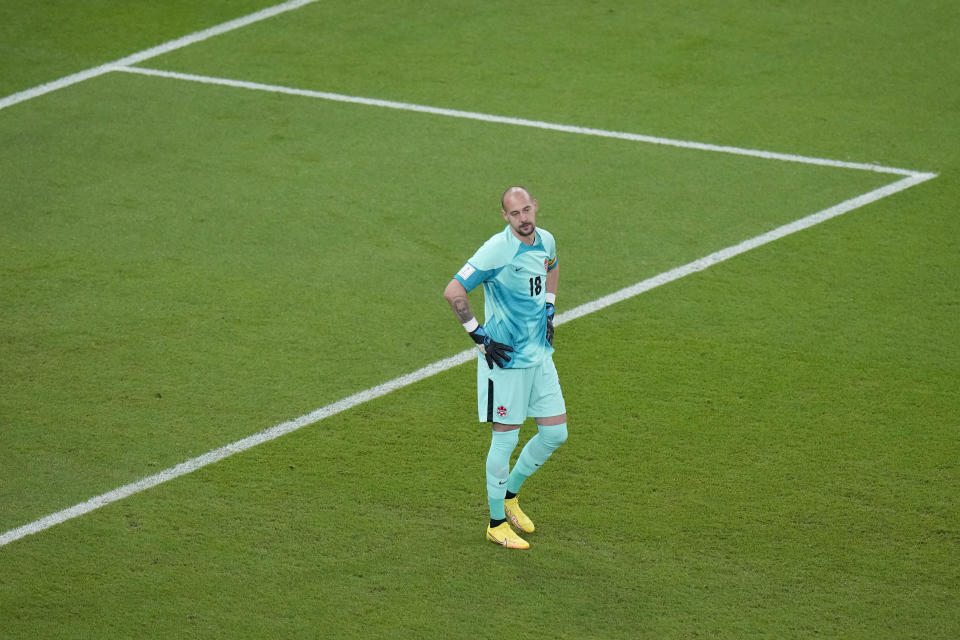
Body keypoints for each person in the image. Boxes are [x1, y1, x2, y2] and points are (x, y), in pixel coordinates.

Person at [443, 186, 567, 550]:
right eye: (515, 214)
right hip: (506, 362)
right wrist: (480, 339)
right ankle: (496, 522)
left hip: (540, 357)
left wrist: (549, 306)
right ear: (505, 217)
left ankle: (510, 495)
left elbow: (553, 267)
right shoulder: (496, 250)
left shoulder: (546, 239)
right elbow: (454, 292)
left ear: (535, 207)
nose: (524, 219)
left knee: (554, 435)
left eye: (527, 210)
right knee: (505, 439)